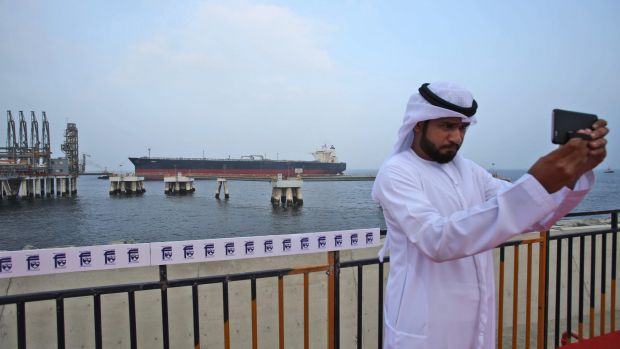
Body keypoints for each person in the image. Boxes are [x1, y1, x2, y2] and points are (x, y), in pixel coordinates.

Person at [371, 81, 608, 348]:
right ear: (418, 123)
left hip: (477, 321)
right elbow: (436, 239)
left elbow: (535, 216)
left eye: (462, 128)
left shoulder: (471, 171)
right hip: (424, 325)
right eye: (446, 126)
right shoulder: (397, 172)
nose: (457, 138)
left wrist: (572, 174)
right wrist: (537, 183)